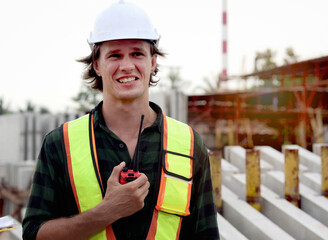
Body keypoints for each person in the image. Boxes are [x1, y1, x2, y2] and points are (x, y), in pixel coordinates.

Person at [22, 1, 219, 239]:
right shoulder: (59, 144)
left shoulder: (189, 144)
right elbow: (33, 234)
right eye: (114, 55)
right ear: (96, 64)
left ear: (153, 61)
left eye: (137, 53)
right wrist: (107, 211)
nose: (126, 66)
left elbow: (206, 234)